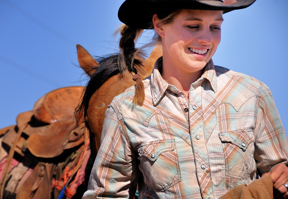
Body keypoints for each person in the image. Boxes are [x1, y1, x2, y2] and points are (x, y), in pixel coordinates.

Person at [82, 0, 288, 198]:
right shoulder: (124, 110)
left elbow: (281, 173)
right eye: (193, 26)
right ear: (159, 25)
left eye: (215, 27)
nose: (207, 39)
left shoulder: (252, 93)